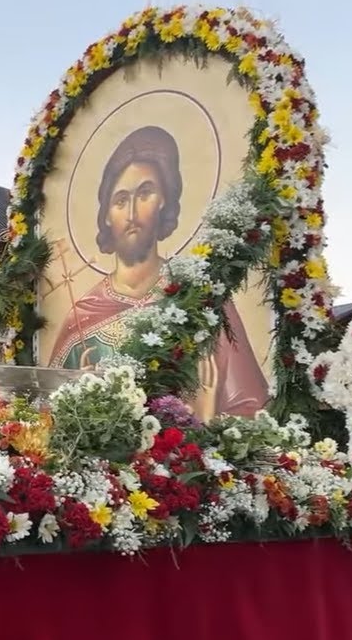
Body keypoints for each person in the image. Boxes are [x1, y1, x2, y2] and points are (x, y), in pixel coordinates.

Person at [48, 125, 268, 419]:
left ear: (164, 200)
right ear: (107, 214)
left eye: (145, 194)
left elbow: (252, 411)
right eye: (120, 199)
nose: (131, 214)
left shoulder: (202, 301)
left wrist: (206, 416)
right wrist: (78, 402)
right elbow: (47, 415)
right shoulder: (83, 315)